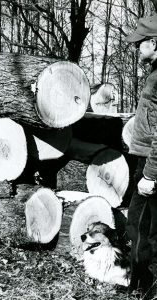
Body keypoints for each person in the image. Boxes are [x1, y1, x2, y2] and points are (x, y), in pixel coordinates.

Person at [125, 14, 157, 298]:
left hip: (151, 164)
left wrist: (150, 173)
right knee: (142, 227)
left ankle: (145, 289)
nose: (136, 48)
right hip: (146, 160)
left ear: (155, 42)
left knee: (142, 229)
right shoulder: (155, 72)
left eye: (140, 43)